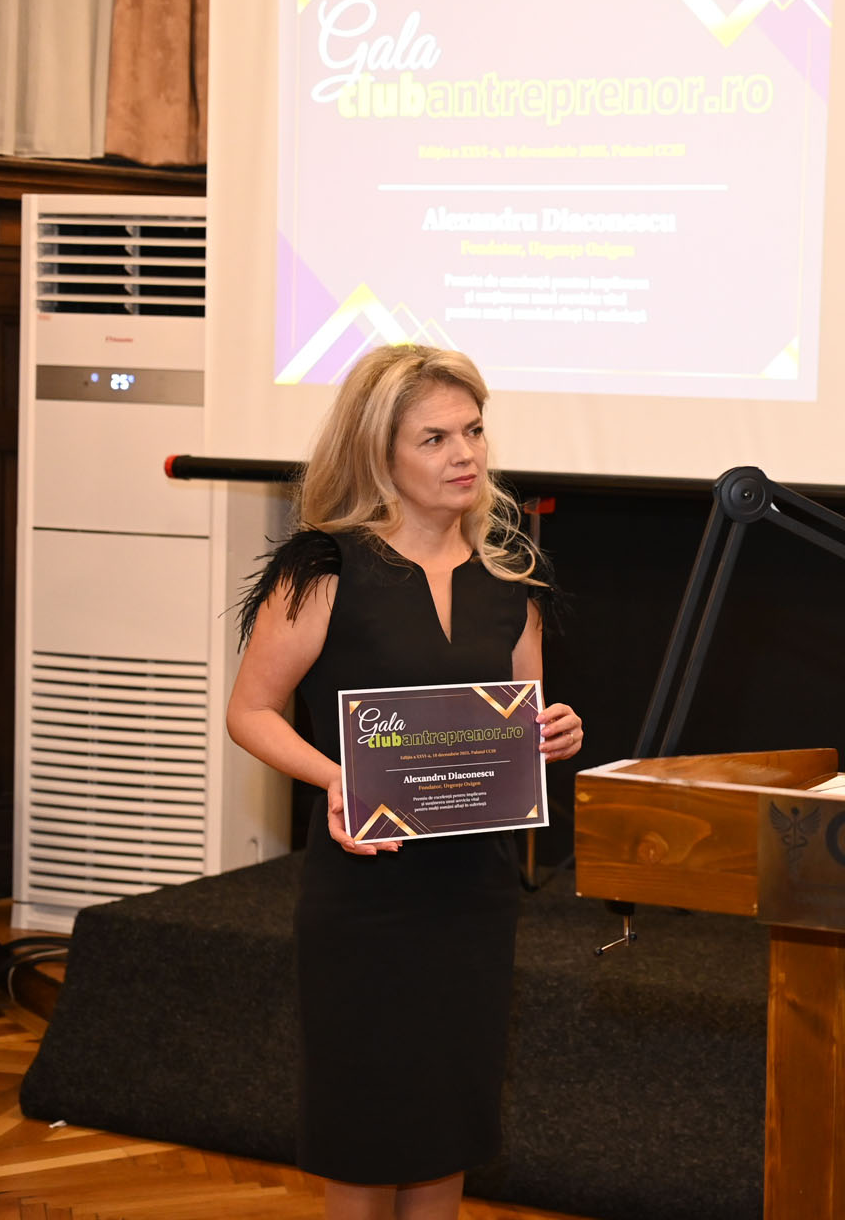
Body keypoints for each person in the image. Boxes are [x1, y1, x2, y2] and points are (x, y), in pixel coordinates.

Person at [227, 344, 583, 1220]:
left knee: (448, 1121)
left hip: (473, 894)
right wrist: (336, 779)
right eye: (435, 438)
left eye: (474, 431)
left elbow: (521, 721)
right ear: (379, 452)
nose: (466, 454)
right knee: (364, 1122)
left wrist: (554, 732)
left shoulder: (512, 581)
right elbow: (251, 711)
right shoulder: (324, 568)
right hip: (367, 895)